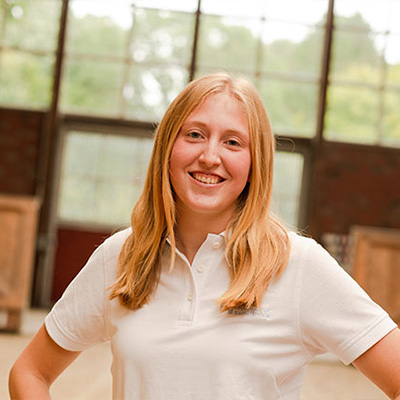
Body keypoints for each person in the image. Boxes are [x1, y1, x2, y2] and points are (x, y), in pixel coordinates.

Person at [9, 73, 400, 400]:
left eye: (233, 142)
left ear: (255, 162)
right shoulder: (120, 256)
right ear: (167, 148)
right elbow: (29, 372)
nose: (210, 156)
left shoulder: (297, 264)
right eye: (195, 134)